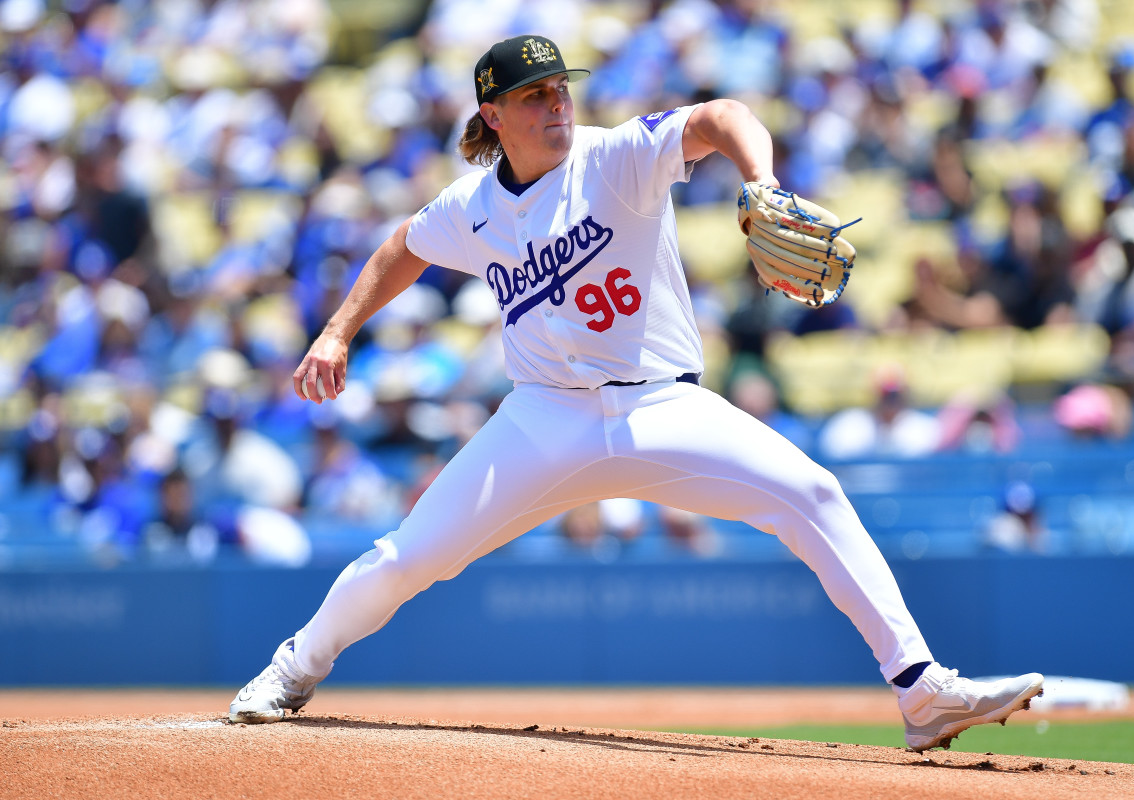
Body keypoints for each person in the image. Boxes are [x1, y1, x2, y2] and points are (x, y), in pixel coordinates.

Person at [228, 34, 1043, 752]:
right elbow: (401, 248)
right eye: (535, 95)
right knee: (412, 556)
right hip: (546, 416)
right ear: (493, 113)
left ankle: (921, 691)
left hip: (663, 407)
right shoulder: (471, 209)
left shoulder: (615, 155)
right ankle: (291, 670)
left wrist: (759, 180)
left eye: (561, 89)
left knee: (813, 491)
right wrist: (338, 331)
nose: (557, 105)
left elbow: (722, 116)